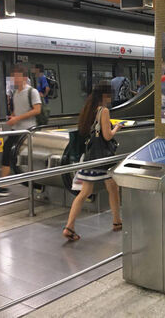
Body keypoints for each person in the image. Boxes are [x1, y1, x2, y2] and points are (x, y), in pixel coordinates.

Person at [62, 83, 123, 241]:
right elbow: (107, 136)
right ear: (104, 96)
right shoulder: (104, 111)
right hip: (102, 159)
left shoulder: (89, 110)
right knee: (113, 187)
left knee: (86, 192)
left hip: (90, 157)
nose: (110, 99)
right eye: (109, 95)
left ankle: (69, 226)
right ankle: (117, 221)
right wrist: (116, 128)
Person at [0, 64, 42, 196]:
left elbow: (37, 110)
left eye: (17, 76)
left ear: (24, 78)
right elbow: (18, 111)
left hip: (28, 131)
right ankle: (4, 185)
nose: (15, 79)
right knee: (7, 152)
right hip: (16, 129)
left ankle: (35, 182)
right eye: (13, 77)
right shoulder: (16, 93)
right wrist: (13, 117)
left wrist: (17, 118)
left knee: (22, 155)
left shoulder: (32, 92)